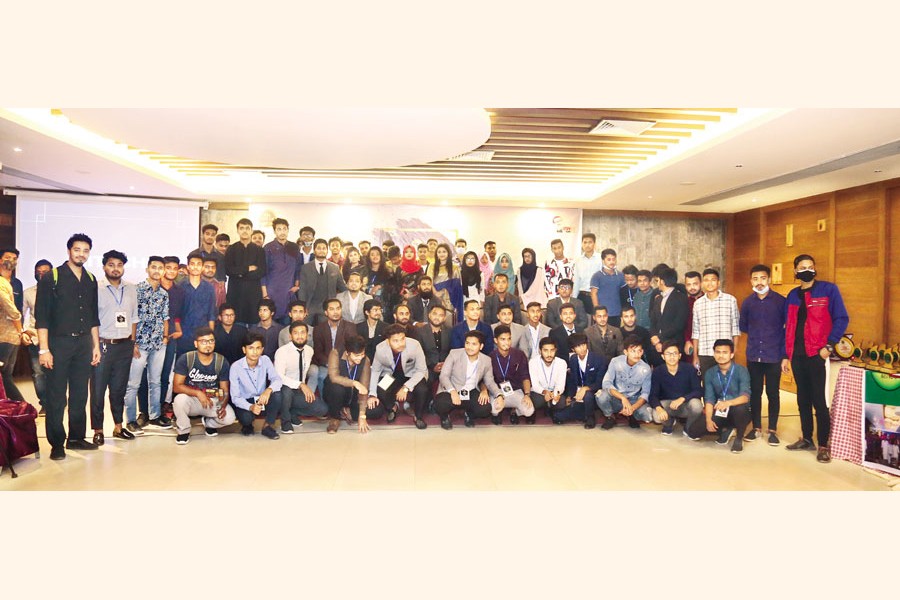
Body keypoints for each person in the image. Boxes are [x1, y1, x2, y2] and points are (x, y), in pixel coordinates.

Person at [35, 233, 102, 460]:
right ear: (68, 251)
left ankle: (76, 438)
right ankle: (56, 443)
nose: (81, 254)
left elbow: (93, 317)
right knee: (56, 396)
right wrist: (44, 349)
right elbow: (41, 317)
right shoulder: (52, 277)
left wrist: (95, 345)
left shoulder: (91, 279)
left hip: (84, 344)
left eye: (85, 250)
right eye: (77, 249)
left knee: (80, 394)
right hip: (58, 343)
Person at [782, 253, 849, 463]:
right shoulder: (792, 295)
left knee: (820, 401)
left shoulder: (829, 290)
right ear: (795, 271)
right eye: (802, 267)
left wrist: (829, 346)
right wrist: (786, 355)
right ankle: (807, 439)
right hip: (798, 355)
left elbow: (842, 318)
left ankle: (823, 445)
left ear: (815, 268)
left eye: (810, 266)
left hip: (817, 354)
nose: (807, 270)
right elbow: (787, 327)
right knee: (802, 399)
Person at [89, 250, 139, 445]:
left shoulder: (131, 288)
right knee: (98, 391)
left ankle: (119, 427)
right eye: (111, 264)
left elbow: (134, 318)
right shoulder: (97, 288)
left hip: (124, 346)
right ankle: (98, 430)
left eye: (119, 265)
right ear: (104, 267)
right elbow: (92, 320)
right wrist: (95, 345)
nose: (115, 268)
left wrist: (132, 342)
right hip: (103, 345)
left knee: (119, 390)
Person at [123, 256, 171, 436]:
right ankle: (131, 420)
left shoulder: (164, 294)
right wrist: (132, 342)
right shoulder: (136, 290)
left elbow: (165, 318)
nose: (157, 270)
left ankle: (155, 415)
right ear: (147, 269)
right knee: (133, 384)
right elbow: (131, 317)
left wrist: (165, 337)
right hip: (140, 344)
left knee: (155, 382)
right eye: (154, 267)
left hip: (159, 344)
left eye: (160, 268)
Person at [739, 264, 786, 445]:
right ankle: (756, 427)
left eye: (763, 278)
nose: (759, 282)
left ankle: (772, 430)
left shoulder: (780, 302)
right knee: (755, 392)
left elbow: (786, 329)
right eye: (755, 279)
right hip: (753, 355)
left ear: (769, 279)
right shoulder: (748, 302)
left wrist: (784, 356)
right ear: (751, 281)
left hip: (774, 355)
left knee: (773, 392)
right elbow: (744, 326)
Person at [171, 326, 235, 444]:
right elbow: (177, 386)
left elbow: (225, 389)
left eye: (211, 341)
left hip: (212, 401)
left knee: (229, 418)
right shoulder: (187, 358)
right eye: (204, 342)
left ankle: (209, 424)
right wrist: (198, 393)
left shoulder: (221, 361)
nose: (208, 345)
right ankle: (184, 431)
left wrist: (223, 404)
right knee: (179, 400)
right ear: (196, 343)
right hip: (192, 400)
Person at [434, 330, 502, 429]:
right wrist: (452, 391)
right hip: (452, 388)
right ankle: (444, 417)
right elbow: (443, 376)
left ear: (481, 346)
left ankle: (469, 414)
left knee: (485, 409)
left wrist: (499, 394)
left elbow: (490, 381)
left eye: (474, 344)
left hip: (471, 390)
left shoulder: (486, 360)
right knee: (440, 404)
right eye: (467, 343)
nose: (469, 347)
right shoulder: (454, 354)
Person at [696, 339, 751, 454]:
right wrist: (708, 420)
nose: (721, 355)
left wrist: (728, 403)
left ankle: (739, 437)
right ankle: (727, 429)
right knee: (694, 431)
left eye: (725, 352)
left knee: (740, 409)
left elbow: (745, 397)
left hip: (738, 409)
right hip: (721, 410)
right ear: (714, 354)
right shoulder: (710, 373)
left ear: (731, 354)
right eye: (718, 352)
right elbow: (709, 399)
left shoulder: (741, 370)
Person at [367, 324, 429, 427]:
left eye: (402, 339)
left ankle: (418, 416)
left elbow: (421, 370)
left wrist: (406, 387)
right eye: (395, 341)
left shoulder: (415, 345)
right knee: (381, 389)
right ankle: (393, 407)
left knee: (422, 390)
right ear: (388, 341)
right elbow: (376, 371)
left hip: (412, 374)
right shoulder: (380, 348)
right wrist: (372, 393)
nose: (400, 343)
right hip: (392, 374)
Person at [229, 331, 283, 439]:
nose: (255, 352)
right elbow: (235, 397)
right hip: (246, 400)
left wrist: (268, 390)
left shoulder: (265, 360)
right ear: (244, 349)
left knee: (277, 395)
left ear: (262, 350)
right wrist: (250, 407)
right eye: (251, 348)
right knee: (246, 418)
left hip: (262, 398)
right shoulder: (235, 367)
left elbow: (277, 379)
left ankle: (267, 427)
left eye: (258, 348)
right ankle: (247, 426)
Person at [274, 321, 326, 434]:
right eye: (296, 333)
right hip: (283, 389)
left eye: (303, 333)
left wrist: (301, 385)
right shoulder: (282, 352)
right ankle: (285, 422)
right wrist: (301, 385)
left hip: (298, 391)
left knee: (322, 409)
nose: (300, 336)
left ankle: (292, 412)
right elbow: (278, 377)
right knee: (286, 392)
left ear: (307, 335)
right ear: (290, 336)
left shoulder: (309, 350)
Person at [691, 268, 740, 378]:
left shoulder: (730, 300)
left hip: (725, 352)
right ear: (703, 283)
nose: (710, 283)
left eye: (713, 280)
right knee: (708, 386)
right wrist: (695, 355)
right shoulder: (698, 304)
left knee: (726, 386)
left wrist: (734, 350)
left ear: (718, 282)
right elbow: (696, 331)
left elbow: (735, 328)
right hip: (705, 352)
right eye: (706, 280)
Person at [597, 334, 653, 430]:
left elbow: (645, 393)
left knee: (648, 416)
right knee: (600, 395)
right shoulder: (615, 362)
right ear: (625, 352)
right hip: (617, 398)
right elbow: (606, 383)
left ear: (642, 352)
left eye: (639, 351)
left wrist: (632, 408)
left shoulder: (646, 369)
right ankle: (610, 417)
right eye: (633, 351)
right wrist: (622, 398)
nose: (637, 354)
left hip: (633, 400)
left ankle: (631, 415)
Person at [648, 341, 703, 438]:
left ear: (680, 355)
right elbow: (653, 395)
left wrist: (683, 398)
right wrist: (659, 408)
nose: (672, 357)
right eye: (668, 354)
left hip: (686, 405)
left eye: (675, 353)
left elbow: (698, 390)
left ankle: (688, 427)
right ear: (663, 356)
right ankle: (669, 424)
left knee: (697, 405)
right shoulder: (658, 371)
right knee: (656, 415)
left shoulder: (689, 369)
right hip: (668, 405)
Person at [322, 335, 372, 434]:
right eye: (357, 355)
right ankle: (335, 418)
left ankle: (346, 409)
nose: (360, 358)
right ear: (347, 353)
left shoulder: (365, 360)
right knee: (337, 389)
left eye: (362, 354)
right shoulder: (336, 353)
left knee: (372, 412)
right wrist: (354, 383)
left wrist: (362, 416)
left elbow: (364, 387)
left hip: (352, 394)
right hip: (334, 391)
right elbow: (334, 377)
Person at [22, 259, 53, 413]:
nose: (41, 275)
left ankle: (58, 400)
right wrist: (25, 331)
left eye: (45, 272)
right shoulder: (28, 292)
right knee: (38, 373)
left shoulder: (59, 290)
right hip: (36, 339)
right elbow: (21, 315)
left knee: (56, 373)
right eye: (38, 272)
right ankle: (45, 404)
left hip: (56, 339)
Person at [558, 333, 608, 427]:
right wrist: (569, 396)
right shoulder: (573, 359)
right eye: (578, 346)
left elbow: (600, 383)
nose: (582, 348)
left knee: (588, 396)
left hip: (595, 393)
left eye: (583, 344)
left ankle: (590, 417)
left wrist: (585, 388)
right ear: (573, 349)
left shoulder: (599, 359)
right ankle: (585, 412)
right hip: (578, 394)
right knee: (558, 417)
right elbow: (572, 380)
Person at [224, 218, 267, 326]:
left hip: (253, 294)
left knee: (254, 327)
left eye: (247, 228)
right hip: (236, 293)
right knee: (237, 326)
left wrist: (239, 273)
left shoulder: (259, 250)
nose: (244, 231)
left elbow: (261, 271)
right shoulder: (231, 249)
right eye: (241, 228)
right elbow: (229, 270)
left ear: (251, 230)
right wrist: (248, 269)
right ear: (237, 230)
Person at [297, 238, 348, 326]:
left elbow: (343, 287)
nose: (321, 250)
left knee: (326, 332)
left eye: (324, 248)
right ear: (314, 250)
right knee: (303, 327)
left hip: (327, 306)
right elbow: (302, 290)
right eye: (319, 248)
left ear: (327, 250)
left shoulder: (335, 267)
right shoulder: (305, 268)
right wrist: (303, 307)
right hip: (310, 305)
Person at [175, 251, 217, 357]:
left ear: (202, 267)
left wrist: (211, 336)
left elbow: (211, 314)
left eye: (199, 264)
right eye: (192, 264)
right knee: (183, 366)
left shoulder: (209, 288)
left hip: (203, 335)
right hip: (184, 335)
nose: (195, 267)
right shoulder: (180, 287)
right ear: (188, 267)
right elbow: (176, 314)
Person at [488, 325, 533, 425]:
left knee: (529, 411)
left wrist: (527, 394)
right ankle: (498, 412)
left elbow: (525, 376)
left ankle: (514, 411)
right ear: (496, 340)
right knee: (494, 409)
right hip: (497, 392)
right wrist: (497, 394)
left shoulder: (519, 355)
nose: (507, 342)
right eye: (503, 339)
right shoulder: (490, 357)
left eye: (509, 339)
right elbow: (487, 380)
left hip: (515, 391)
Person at [311, 298, 357, 394]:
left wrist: (341, 364)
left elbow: (352, 349)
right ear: (326, 312)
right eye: (332, 309)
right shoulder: (318, 329)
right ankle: (324, 405)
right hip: (326, 364)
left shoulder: (350, 327)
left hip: (344, 364)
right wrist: (330, 364)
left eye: (338, 308)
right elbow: (318, 352)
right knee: (322, 376)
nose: (335, 312)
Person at [261, 217, 302, 323]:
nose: (282, 232)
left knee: (287, 325)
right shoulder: (268, 248)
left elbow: (298, 268)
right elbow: (263, 272)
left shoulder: (294, 247)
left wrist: (297, 285)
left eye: (284, 229)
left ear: (288, 230)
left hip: (288, 292)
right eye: (279, 229)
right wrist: (265, 294)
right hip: (272, 292)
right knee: (272, 324)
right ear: (275, 231)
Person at [0, 248, 25, 403]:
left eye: (14, 258)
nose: (11, 260)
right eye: (7, 257)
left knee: (4, 374)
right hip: (8, 334)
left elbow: (14, 310)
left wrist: (21, 330)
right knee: (5, 375)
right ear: (0, 260)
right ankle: (21, 408)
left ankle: (23, 408)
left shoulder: (15, 283)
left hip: (8, 336)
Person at [648, 267, 689, 358]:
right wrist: (655, 339)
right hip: (658, 346)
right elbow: (653, 321)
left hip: (674, 345)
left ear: (662, 281)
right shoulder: (658, 299)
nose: (657, 283)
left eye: (657, 280)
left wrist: (659, 338)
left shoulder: (681, 298)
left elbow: (679, 324)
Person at [527, 337, 565, 424]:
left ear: (555, 350)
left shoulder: (561, 363)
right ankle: (534, 412)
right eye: (545, 350)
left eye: (552, 350)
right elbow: (535, 384)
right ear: (540, 351)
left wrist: (556, 393)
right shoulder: (533, 362)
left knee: (561, 402)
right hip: (539, 392)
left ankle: (552, 410)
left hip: (553, 392)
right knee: (537, 401)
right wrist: (544, 392)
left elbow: (561, 384)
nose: (549, 354)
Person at [414, 303, 451, 387]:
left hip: (446, 367)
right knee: (423, 389)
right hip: (427, 368)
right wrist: (432, 365)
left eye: (441, 315)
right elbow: (418, 354)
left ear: (444, 318)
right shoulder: (420, 331)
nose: (437, 317)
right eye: (435, 314)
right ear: (429, 315)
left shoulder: (449, 330)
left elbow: (452, 351)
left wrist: (445, 364)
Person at [589, 248, 625, 327]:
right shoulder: (596, 276)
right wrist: (597, 311)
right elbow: (593, 294)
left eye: (613, 259)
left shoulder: (621, 275)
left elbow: (624, 293)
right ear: (603, 260)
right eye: (609, 259)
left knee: (615, 335)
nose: (611, 262)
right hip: (603, 314)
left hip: (617, 313)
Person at [430, 243, 462, 318]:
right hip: (434, 296)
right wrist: (436, 293)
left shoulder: (455, 267)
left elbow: (457, 285)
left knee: (449, 319)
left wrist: (445, 291)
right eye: (439, 252)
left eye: (444, 251)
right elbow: (429, 282)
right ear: (436, 254)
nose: (442, 254)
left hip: (450, 298)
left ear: (448, 253)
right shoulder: (432, 266)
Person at [573, 233, 603, 315]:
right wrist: (574, 300)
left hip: (597, 296)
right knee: (582, 322)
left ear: (594, 244)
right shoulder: (578, 260)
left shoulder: (601, 259)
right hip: (582, 296)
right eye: (585, 242)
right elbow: (576, 281)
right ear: (582, 244)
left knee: (596, 320)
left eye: (590, 242)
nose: (587, 245)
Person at [682, 270, 703, 363]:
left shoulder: (707, 300)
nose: (692, 287)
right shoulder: (684, 302)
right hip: (690, 344)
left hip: (707, 345)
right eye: (688, 285)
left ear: (701, 283)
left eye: (695, 284)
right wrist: (687, 340)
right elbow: (683, 324)